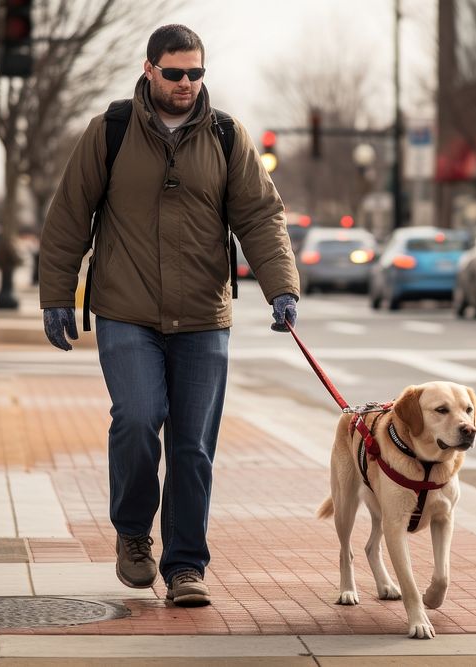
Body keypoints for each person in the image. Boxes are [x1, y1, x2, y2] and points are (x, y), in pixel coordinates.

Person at [39, 24, 300, 607]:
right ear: (150, 69)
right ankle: (134, 534)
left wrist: (282, 288)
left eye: (196, 73)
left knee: (192, 446)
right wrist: (57, 295)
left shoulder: (228, 136)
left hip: (204, 317)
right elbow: (67, 218)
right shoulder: (109, 130)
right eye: (175, 72)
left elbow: (260, 215)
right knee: (136, 419)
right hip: (125, 311)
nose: (186, 84)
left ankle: (186, 566)